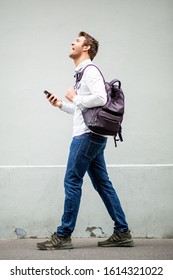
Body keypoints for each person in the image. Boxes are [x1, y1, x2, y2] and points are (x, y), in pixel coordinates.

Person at [37, 31, 134, 250]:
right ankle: (122, 231)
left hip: (86, 137)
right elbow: (84, 110)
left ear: (87, 48)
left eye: (77, 41)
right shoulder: (82, 74)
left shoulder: (90, 70)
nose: (72, 42)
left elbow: (101, 98)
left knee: (72, 181)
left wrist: (76, 98)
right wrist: (61, 104)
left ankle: (63, 235)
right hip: (93, 136)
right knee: (102, 184)